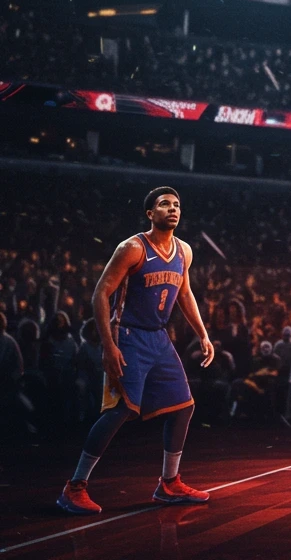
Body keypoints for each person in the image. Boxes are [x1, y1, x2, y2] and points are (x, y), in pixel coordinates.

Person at [57, 187, 214, 514]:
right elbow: (101, 294)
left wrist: (203, 334)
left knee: (184, 407)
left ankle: (169, 484)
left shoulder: (184, 251)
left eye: (177, 205)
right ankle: (74, 487)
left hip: (158, 337)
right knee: (120, 410)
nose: (173, 209)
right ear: (150, 213)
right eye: (164, 204)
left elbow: (185, 294)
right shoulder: (132, 248)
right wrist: (108, 345)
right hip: (127, 335)